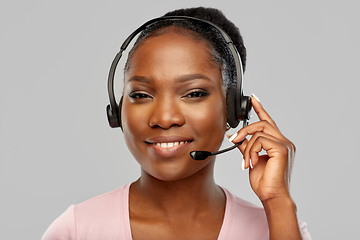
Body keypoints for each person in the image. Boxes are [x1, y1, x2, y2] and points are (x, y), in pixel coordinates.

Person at [42, 7, 311, 240]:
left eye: (193, 93)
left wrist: (278, 202)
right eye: (141, 95)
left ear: (234, 110)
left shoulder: (279, 228)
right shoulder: (77, 230)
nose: (164, 118)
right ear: (117, 110)